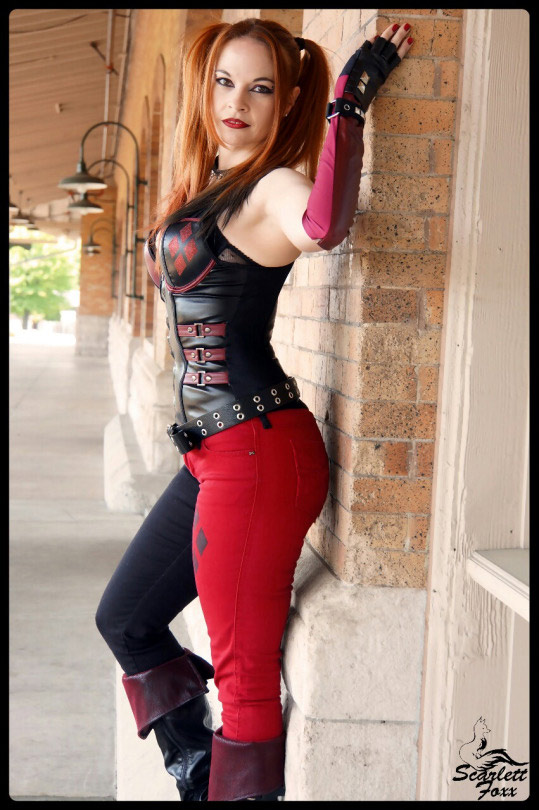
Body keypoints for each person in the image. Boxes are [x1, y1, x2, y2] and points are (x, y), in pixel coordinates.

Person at [96, 16, 413, 802]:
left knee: (244, 682)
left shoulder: (272, 186)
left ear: (286, 101)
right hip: (213, 452)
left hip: (258, 451)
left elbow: (323, 225)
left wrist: (348, 104)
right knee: (126, 619)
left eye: (260, 88)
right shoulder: (213, 182)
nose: (237, 102)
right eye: (224, 82)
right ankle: (200, 774)